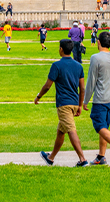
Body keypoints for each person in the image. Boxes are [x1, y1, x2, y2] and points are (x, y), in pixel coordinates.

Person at [35, 39, 88, 167]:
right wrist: (80, 105)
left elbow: (47, 86)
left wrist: (39, 96)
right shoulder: (78, 66)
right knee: (61, 131)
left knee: (71, 130)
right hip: (74, 103)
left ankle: (82, 159)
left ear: (61, 50)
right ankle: (51, 157)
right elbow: (82, 88)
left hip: (64, 104)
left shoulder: (57, 66)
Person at [83, 31, 110, 166]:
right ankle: (101, 156)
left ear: (98, 42)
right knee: (105, 126)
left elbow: (91, 81)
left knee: (99, 125)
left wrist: (85, 100)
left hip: (101, 97)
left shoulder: (96, 58)